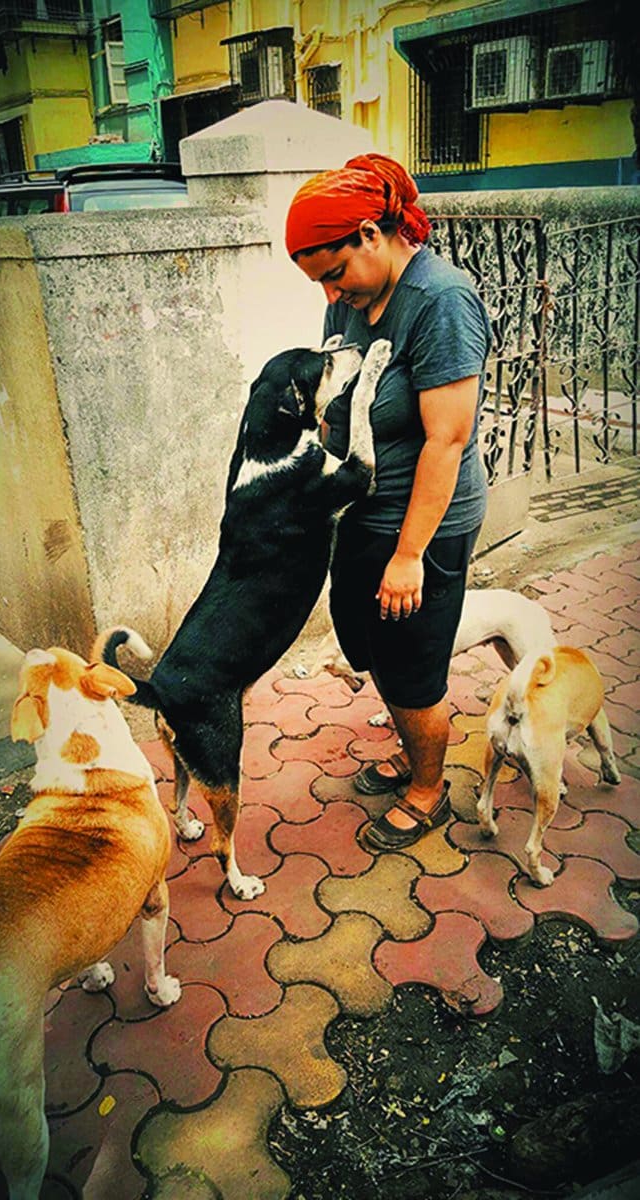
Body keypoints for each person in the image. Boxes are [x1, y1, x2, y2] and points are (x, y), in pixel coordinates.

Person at [285, 153, 492, 850]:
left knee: (410, 663)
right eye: (317, 282)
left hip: (422, 525)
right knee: (372, 643)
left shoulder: (438, 301)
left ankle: (429, 788)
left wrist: (408, 556)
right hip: (363, 513)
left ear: (370, 234)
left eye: (334, 272)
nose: (329, 294)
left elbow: (447, 439)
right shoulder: (349, 300)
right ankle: (412, 747)